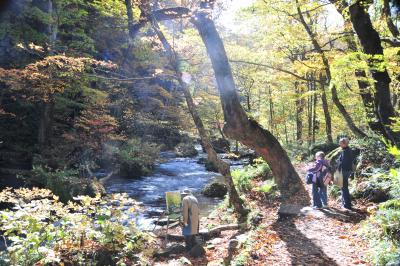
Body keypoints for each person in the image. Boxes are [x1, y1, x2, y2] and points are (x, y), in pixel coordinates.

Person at [337, 138, 353, 210]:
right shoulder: (347, 150)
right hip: (347, 170)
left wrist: (337, 169)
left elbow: (343, 163)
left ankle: (347, 205)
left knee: (344, 188)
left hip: (344, 171)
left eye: (340, 143)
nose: (339, 144)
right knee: (343, 187)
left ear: (344, 143)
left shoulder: (346, 151)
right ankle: (345, 203)